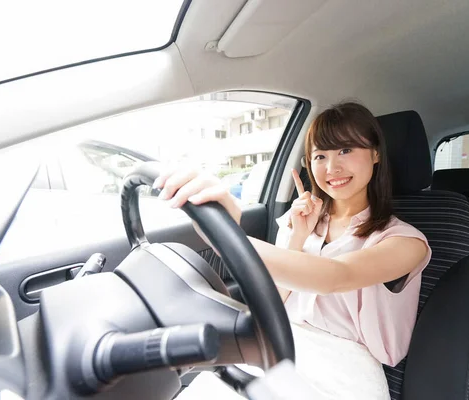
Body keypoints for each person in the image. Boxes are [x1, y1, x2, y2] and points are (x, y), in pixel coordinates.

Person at [155, 102, 432, 399]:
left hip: (344, 369)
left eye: (346, 150)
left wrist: (228, 235)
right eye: (320, 156)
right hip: (276, 344)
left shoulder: (405, 241)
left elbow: (336, 276)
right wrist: (297, 237)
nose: (332, 167)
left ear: (376, 153)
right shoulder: (298, 220)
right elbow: (272, 300)